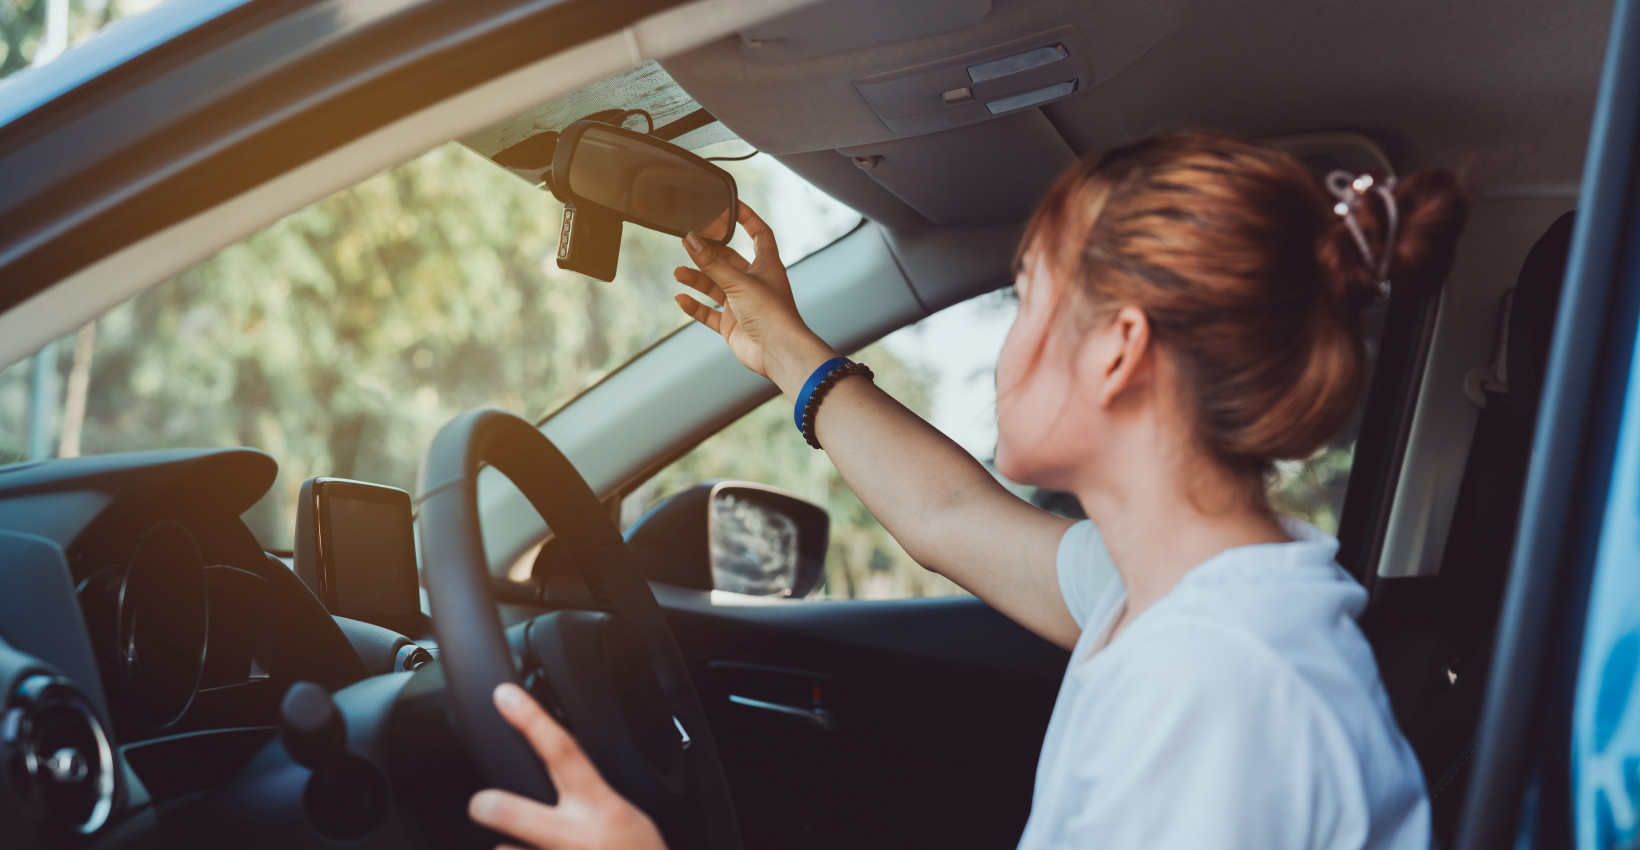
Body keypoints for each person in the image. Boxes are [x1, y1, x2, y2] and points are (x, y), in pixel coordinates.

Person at [467, 131, 1467, 849]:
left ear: (1119, 350)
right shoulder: (1166, 593)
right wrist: (777, 342)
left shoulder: (1216, 692)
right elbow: (948, 516)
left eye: (1026, 291)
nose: (1007, 339)